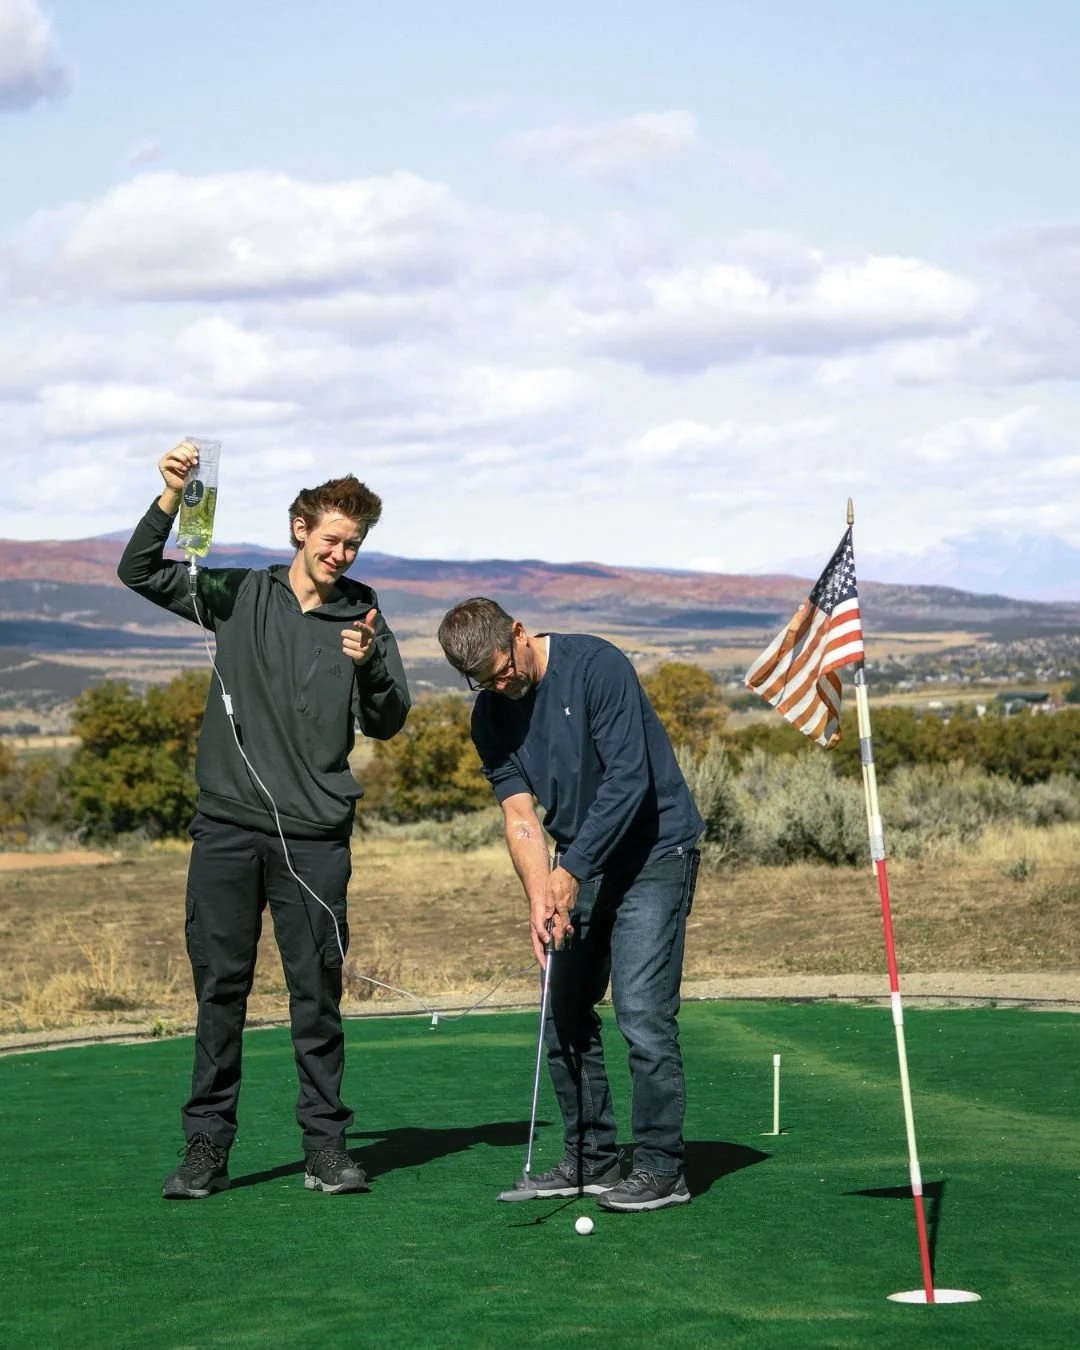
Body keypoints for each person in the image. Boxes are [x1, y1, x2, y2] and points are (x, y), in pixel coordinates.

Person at [118, 440, 411, 1199]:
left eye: (353, 544)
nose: (341, 555)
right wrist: (171, 497)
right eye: (331, 540)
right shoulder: (239, 593)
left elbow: (388, 721)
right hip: (226, 830)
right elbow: (139, 571)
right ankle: (206, 1149)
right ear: (298, 530)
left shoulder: (363, 615)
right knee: (220, 992)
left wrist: (372, 663)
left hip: (315, 840)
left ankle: (326, 1149)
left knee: (317, 997)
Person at [437, 598, 703, 1212]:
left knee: (642, 1012)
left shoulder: (597, 666)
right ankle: (592, 1158)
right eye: (483, 682)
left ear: (519, 633)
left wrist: (571, 870)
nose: (499, 686)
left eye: (503, 670)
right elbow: (520, 814)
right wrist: (541, 895)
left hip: (654, 852)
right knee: (562, 1012)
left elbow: (628, 780)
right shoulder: (490, 714)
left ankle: (662, 1167)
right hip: (577, 861)